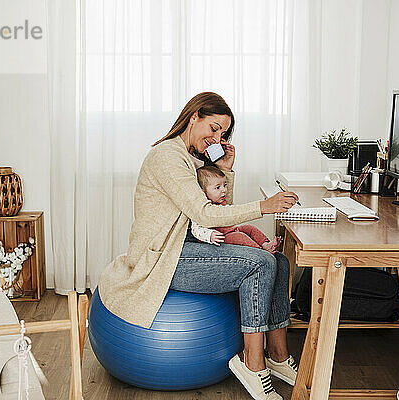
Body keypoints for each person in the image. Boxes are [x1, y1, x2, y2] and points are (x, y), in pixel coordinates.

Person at [98, 92, 300, 400]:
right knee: (260, 264)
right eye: (214, 128)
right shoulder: (168, 157)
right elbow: (205, 213)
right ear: (195, 117)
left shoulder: (191, 158)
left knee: (279, 262)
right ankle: (253, 365)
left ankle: (277, 356)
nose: (217, 137)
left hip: (190, 246)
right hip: (166, 258)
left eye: (223, 133)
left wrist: (226, 171)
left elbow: (217, 214)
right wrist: (264, 206)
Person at [189, 165, 281, 254]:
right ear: (202, 191)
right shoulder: (201, 207)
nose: (224, 190)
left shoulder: (221, 201)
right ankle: (260, 251)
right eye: (218, 187)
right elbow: (196, 229)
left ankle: (265, 244)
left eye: (225, 185)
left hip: (232, 231)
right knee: (239, 236)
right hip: (222, 238)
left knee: (249, 228)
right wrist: (209, 235)